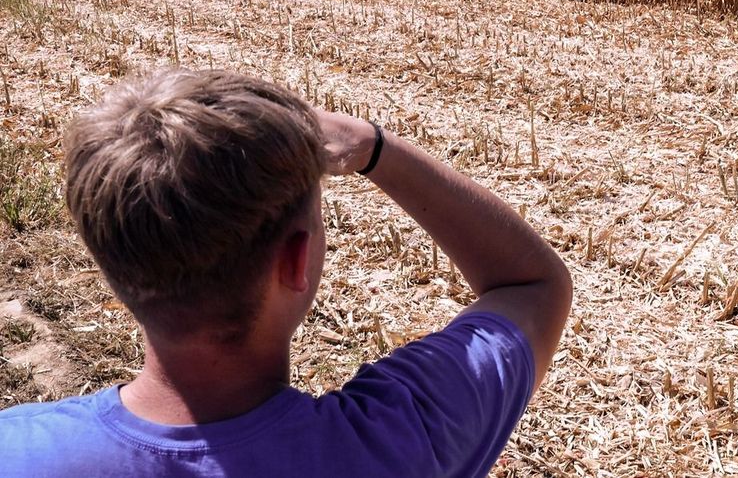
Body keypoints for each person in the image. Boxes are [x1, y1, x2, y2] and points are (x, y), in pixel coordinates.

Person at [0, 69, 573, 477]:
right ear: (296, 261)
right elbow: (531, 284)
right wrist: (376, 149)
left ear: (112, 266)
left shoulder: (18, 451)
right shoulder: (401, 443)